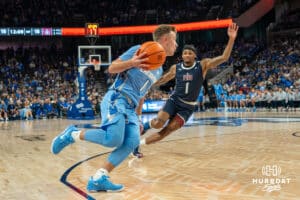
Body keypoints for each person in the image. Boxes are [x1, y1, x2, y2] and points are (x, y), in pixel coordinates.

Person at [51, 24, 178, 192]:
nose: (176, 45)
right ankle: (73, 134)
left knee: (132, 142)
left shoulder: (159, 68)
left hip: (131, 108)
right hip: (117, 98)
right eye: (175, 41)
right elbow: (112, 68)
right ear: (166, 39)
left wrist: (138, 118)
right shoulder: (140, 50)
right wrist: (132, 62)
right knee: (113, 139)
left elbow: (141, 94)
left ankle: (98, 179)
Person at [133, 23, 239, 157]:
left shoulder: (203, 65)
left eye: (190, 53)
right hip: (175, 100)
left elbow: (224, 57)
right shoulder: (176, 68)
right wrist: (149, 84)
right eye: (184, 53)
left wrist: (231, 39)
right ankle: (144, 127)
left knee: (168, 130)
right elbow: (163, 79)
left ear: (195, 55)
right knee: (159, 122)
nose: (186, 55)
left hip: (188, 107)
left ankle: (138, 144)